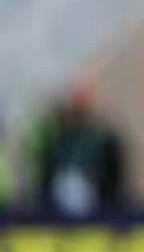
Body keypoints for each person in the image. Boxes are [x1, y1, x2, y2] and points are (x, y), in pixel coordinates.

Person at [34, 85, 126, 216]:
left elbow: (113, 170)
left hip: (96, 202)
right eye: (75, 100)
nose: (78, 106)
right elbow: (47, 168)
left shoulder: (102, 135)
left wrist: (109, 196)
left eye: (82, 100)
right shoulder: (58, 135)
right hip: (57, 205)